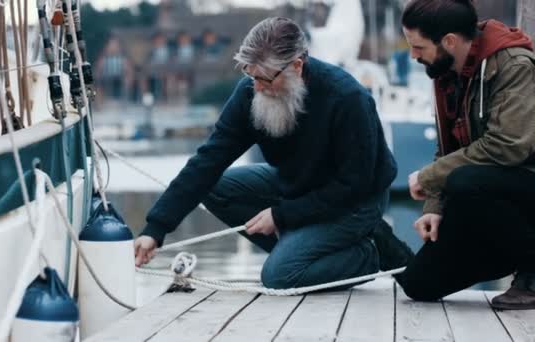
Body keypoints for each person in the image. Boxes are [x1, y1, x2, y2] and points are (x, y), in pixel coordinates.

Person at [133, 17, 407, 289]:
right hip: (297, 186)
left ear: (297, 66)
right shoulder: (251, 92)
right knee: (215, 188)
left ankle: (367, 253)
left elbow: (354, 185)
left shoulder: (348, 98)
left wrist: (281, 216)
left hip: (356, 203)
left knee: (279, 277)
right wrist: (156, 229)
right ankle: (303, 249)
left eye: (264, 78)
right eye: (251, 75)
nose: (257, 87)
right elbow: (208, 160)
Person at [396, 0, 535, 309]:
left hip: (524, 187)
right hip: (490, 194)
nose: (413, 55)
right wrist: (435, 205)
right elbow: (449, 147)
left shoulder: (514, 65)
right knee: (420, 284)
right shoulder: (447, 71)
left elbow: (508, 145)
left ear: (449, 41)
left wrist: (429, 177)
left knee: (465, 180)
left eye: (418, 46)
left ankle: (531, 272)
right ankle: (505, 254)